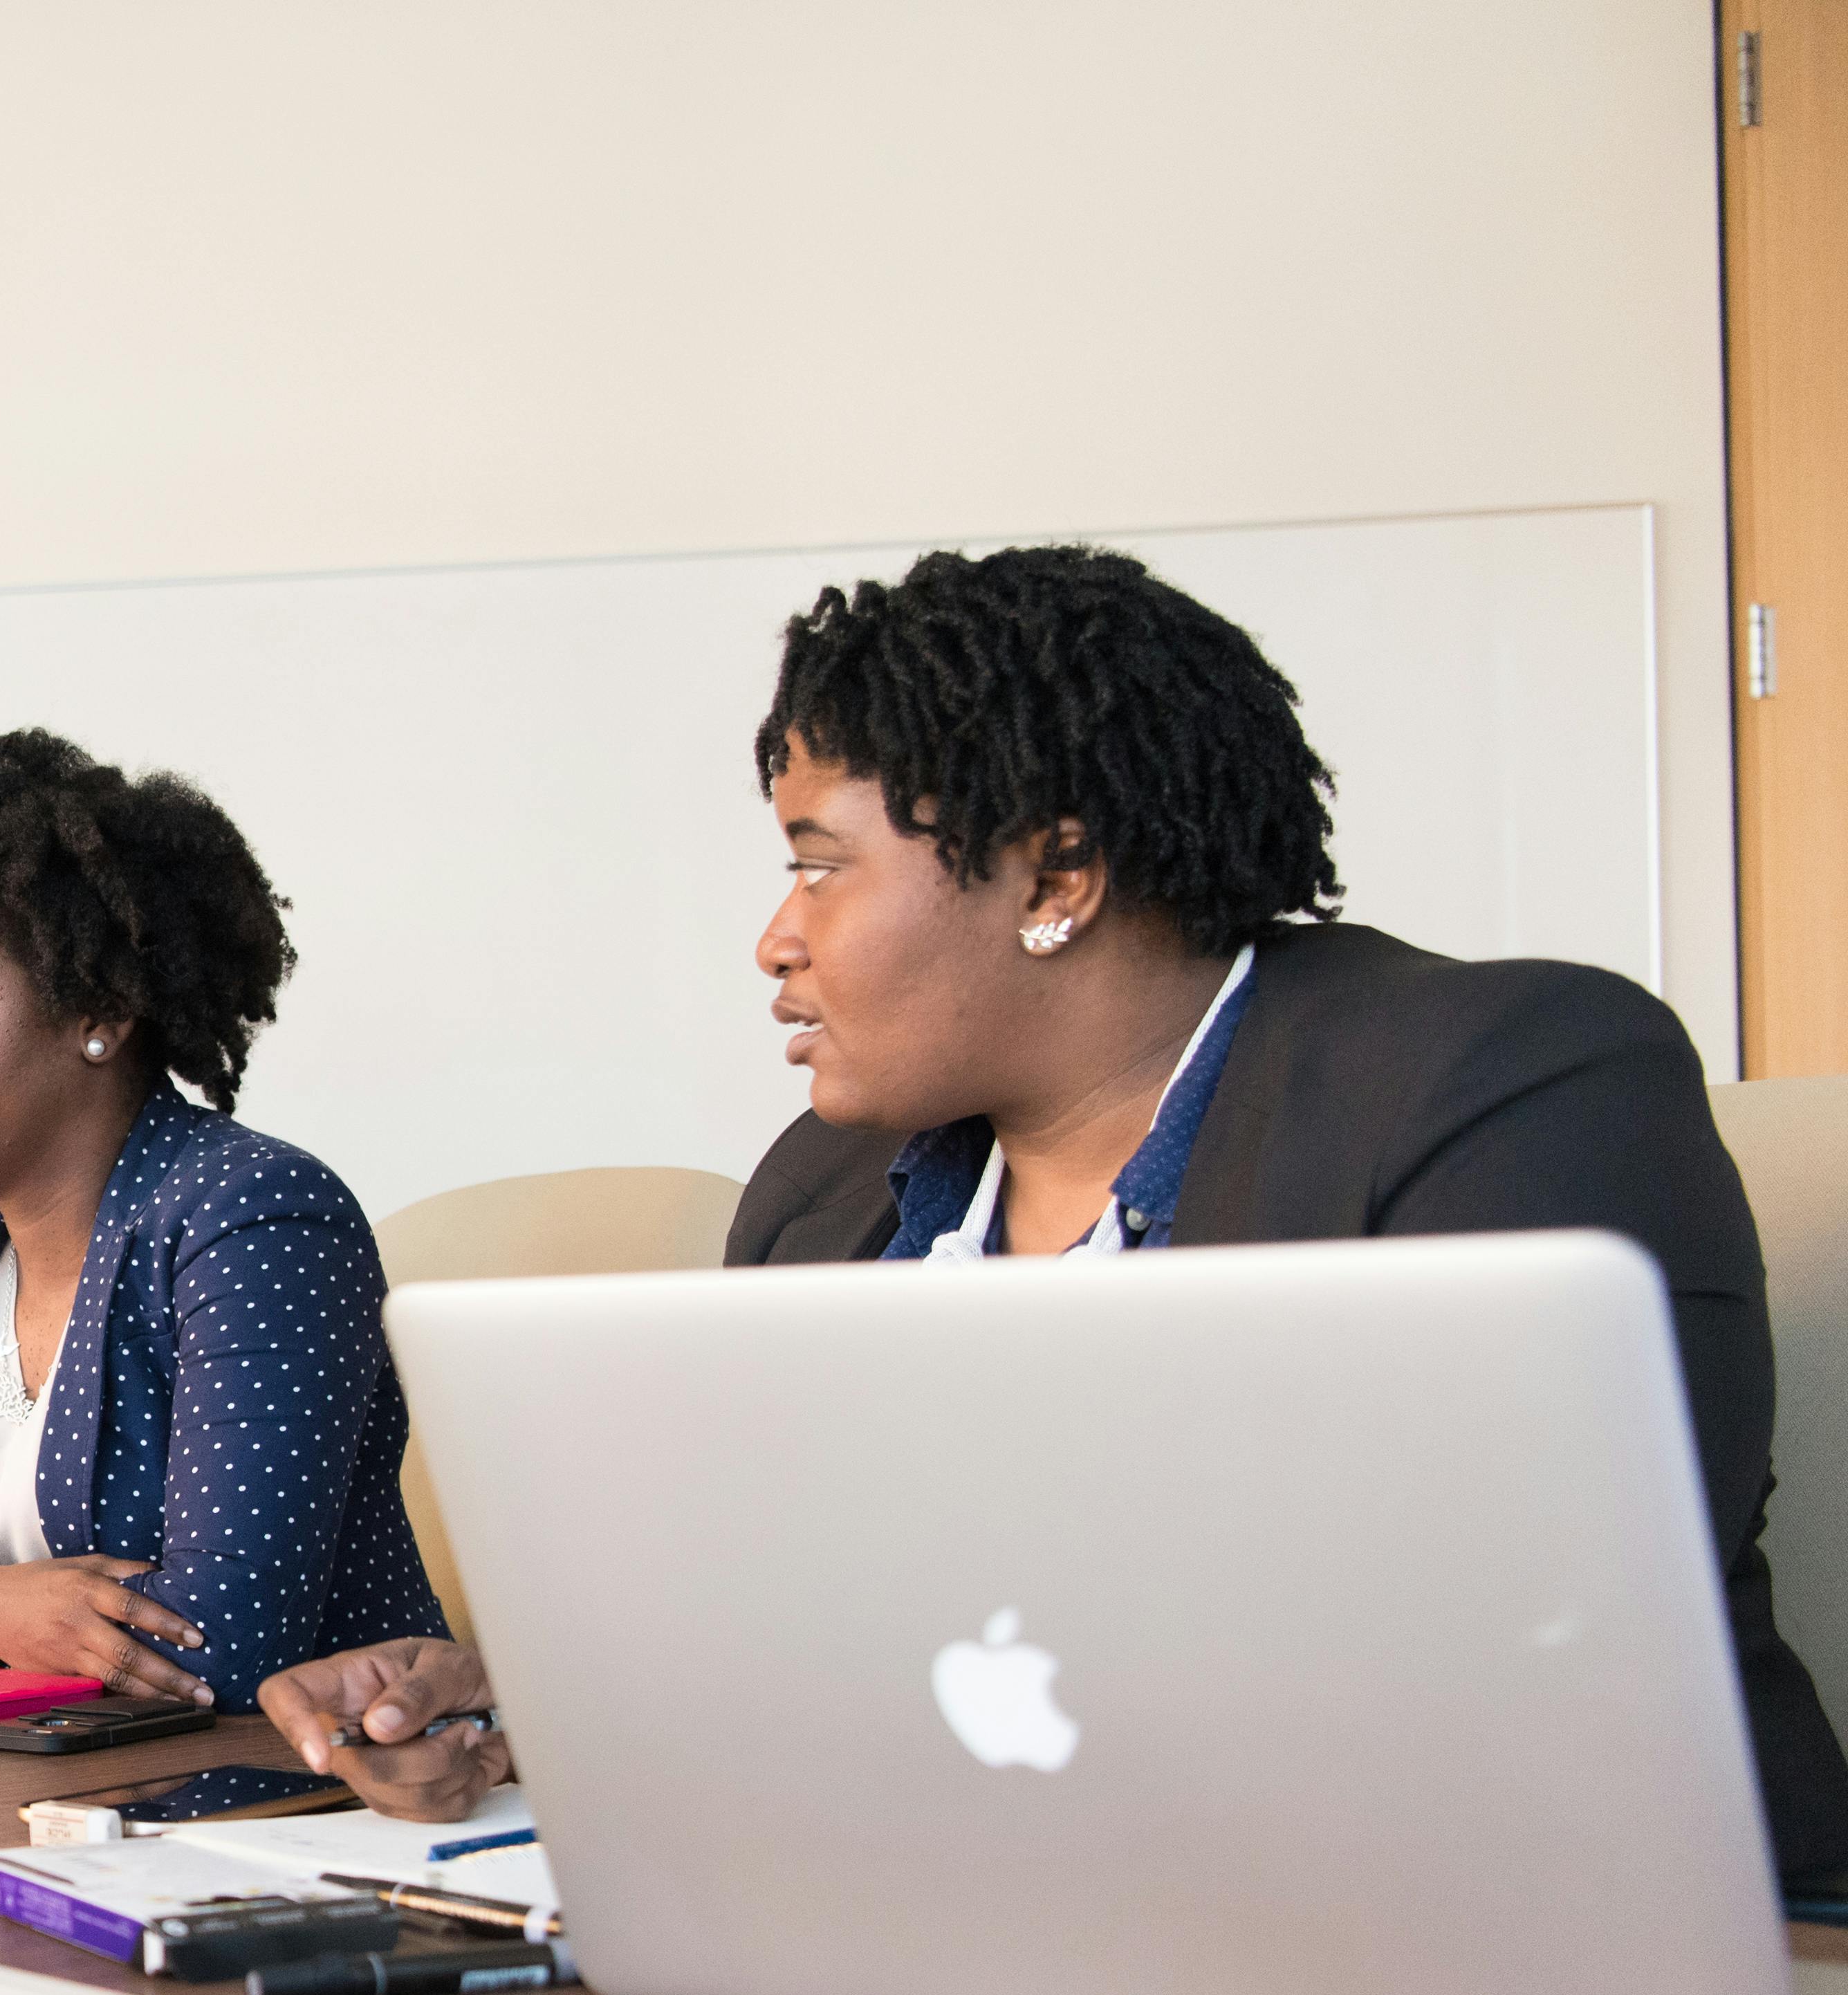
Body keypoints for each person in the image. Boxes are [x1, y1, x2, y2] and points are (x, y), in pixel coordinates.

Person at [267, 544, 1848, 1902]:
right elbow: (812, 1617)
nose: (774, 939)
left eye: (820, 867)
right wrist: (531, 1698)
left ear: (1056, 873)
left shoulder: (1497, 1085)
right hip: (988, 1911)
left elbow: (1520, 1648)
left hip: (1547, 1942)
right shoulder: (827, 1199)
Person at [0, 729, 443, 1705]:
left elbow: (215, 1650)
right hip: (0, 1789)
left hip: (274, 1807)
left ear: (101, 1012)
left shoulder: (256, 1223)